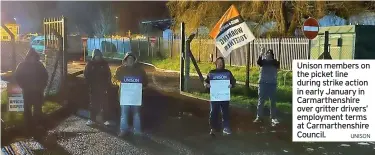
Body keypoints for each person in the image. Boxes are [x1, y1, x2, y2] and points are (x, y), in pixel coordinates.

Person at [14, 48, 48, 133]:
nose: (32, 58)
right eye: (31, 56)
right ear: (28, 57)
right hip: (28, 91)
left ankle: (36, 127)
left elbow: (45, 76)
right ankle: (29, 128)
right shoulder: (22, 65)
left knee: (37, 109)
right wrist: (22, 85)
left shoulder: (39, 65)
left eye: (33, 56)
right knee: (27, 110)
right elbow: (17, 76)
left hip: (37, 91)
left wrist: (42, 86)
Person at [114, 53, 148, 137]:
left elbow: (146, 82)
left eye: (132, 59)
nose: (130, 61)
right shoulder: (120, 69)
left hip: (135, 97)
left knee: (136, 113)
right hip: (124, 97)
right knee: (124, 114)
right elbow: (114, 79)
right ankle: (123, 130)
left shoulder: (140, 70)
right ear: (125, 60)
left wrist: (143, 87)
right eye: (128, 59)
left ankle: (137, 130)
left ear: (134, 60)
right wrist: (119, 83)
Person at [204, 57, 236, 136]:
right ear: (216, 63)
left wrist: (231, 85)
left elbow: (233, 81)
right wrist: (206, 85)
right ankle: (213, 128)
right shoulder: (212, 73)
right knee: (214, 112)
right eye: (218, 62)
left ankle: (226, 128)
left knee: (225, 112)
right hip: (215, 97)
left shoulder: (227, 72)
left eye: (221, 62)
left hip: (224, 96)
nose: (220, 63)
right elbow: (205, 82)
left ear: (223, 63)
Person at [84, 49, 113, 126]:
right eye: (96, 56)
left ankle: (106, 119)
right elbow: (86, 75)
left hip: (103, 87)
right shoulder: (90, 64)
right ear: (93, 56)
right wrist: (89, 84)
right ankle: (92, 119)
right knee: (93, 104)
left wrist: (107, 84)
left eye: (99, 56)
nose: (98, 57)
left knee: (104, 104)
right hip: (93, 87)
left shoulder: (104, 64)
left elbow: (108, 74)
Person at [253, 48, 280, 126]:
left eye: (269, 54)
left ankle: (273, 118)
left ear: (272, 55)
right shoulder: (263, 62)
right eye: (267, 54)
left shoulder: (275, 62)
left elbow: (277, 66)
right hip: (263, 84)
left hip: (272, 84)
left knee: (273, 102)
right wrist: (261, 53)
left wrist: (270, 60)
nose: (268, 55)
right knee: (261, 101)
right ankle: (259, 117)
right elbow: (258, 62)